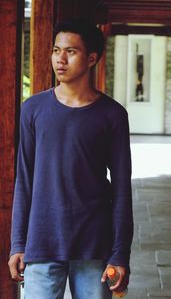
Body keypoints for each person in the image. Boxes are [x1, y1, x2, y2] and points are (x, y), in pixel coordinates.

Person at [8, 19, 133, 299]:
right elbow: (24, 181)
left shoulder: (112, 115)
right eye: (56, 50)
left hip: (94, 244)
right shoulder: (33, 110)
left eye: (71, 52)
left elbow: (122, 188)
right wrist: (18, 243)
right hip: (42, 241)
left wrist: (120, 253)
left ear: (91, 58)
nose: (60, 59)